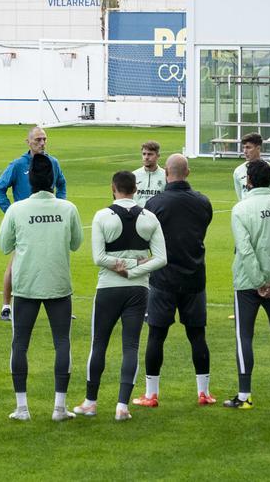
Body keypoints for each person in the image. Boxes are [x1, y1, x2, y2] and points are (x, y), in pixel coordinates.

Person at [74, 171, 167, 422]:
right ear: (135, 189)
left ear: (113, 188)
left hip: (108, 288)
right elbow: (161, 258)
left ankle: (90, 402)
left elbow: (99, 258)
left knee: (99, 344)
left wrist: (123, 267)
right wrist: (134, 268)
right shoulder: (149, 217)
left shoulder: (102, 216)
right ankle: (122, 406)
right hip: (138, 289)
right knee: (131, 346)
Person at [0, 153, 82, 422]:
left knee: (19, 344)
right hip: (58, 283)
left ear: (30, 180)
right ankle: (59, 407)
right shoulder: (67, 208)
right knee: (62, 343)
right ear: (54, 181)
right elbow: (75, 243)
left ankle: (22, 407)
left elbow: (3, 245)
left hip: (25, 285)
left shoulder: (17, 209)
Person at [133, 154, 215, 408]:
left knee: (156, 335)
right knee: (197, 335)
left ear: (166, 172)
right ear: (187, 172)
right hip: (194, 276)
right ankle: (204, 392)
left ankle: (151, 393)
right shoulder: (202, 202)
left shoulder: (155, 203)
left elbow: (143, 237)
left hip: (163, 278)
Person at [224, 160, 270, 411]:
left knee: (244, 336)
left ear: (249, 181)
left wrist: (258, 282)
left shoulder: (241, 208)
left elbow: (244, 249)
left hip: (248, 283)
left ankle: (245, 395)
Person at [0, 126, 67, 322]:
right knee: (15, 261)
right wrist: (10, 212)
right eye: (37, 140)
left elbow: (62, 183)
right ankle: (6, 305)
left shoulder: (53, 162)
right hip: (26, 223)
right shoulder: (18, 165)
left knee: (54, 259)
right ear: (28, 142)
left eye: (44, 139)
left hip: (49, 221)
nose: (42, 143)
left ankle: (60, 303)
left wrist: (61, 205)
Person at [232, 132, 270, 200]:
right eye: (243, 148)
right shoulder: (238, 172)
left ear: (258, 148)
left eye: (248, 147)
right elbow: (240, 198)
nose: (245, 151)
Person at [133, 140, 166, 208]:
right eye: (144, 154)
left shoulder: (165, 176)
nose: (146, 157)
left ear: (158, 156)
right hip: (137, 215)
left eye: (150, 154)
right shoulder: (134, 175)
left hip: (157, 215)